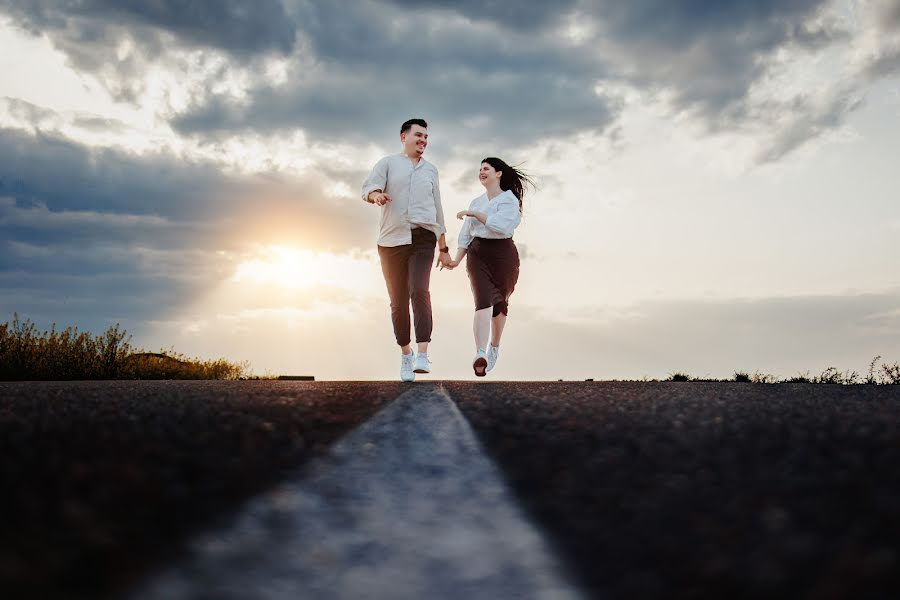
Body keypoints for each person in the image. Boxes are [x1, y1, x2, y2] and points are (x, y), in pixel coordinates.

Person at [362, 118, 452, 382]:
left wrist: (444, 247)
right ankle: (405, 354)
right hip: (391, 240)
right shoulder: (387, 163)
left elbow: (438, 209)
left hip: (424, 238)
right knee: (398, 301)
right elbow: (368, 188)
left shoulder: (431, 170)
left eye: (426, 137)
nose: (423, 140)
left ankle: (423, 352)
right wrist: (376, 196)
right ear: (404, 137)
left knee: (419, 289)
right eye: (418, 135)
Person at [446, 157, 532, 376]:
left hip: (503, 255)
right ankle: (480, 353)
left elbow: (502, 227)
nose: (481, 172)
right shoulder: (476, 201)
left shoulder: (509, 200)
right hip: (478, 254)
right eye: (480, 169)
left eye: (486, 169)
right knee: (482, 301)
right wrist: (456, 259)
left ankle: (494, 347)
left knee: (500, 305)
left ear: (498, 173)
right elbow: (465, 235)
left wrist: (476, 214)